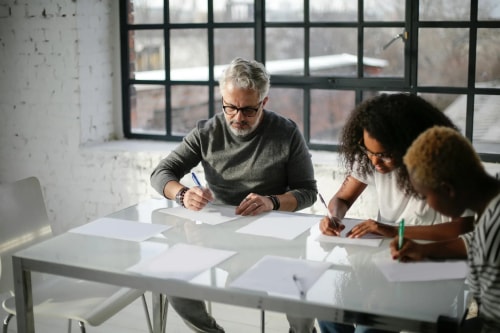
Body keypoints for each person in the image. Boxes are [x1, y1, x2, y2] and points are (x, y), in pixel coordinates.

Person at [151, 57, 318, 333]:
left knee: (302, 294)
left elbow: (308, 192)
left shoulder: (286, 132)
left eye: (249, 110)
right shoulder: (207, 132)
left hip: (274, 237)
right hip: (217, 234)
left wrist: (272, 201)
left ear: (264, 102)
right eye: (230, 107)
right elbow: (161, 173)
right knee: (171, 278)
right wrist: (182, 195)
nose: (238, 117)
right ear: (222, 99)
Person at [317, 93, 474, 333]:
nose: (375, 162)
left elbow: (463, 227)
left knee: (369, 329)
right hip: (388, 260)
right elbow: (342, 198)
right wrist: (335, 217)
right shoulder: (372, 156)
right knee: (330, 313)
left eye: (384, 155)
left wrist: (392, 231)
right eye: (368, 151)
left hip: (435, 265)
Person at [390, 126, 500, 333]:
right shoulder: (491, 205)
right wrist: (423, 250)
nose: (427, 205)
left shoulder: (495, 228)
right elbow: (474, 241)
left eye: (425, 196)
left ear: (447, 190)